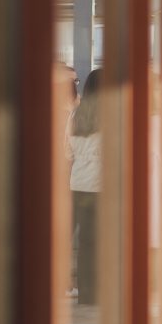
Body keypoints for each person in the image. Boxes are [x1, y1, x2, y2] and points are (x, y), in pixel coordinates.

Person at [67, 69, 102, 305]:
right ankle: (96, 293)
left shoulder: (75, 115)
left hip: (78, 182)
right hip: (101, 184)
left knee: (84, 243)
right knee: (96, 243)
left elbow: (67, 151)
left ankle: (86, 295)